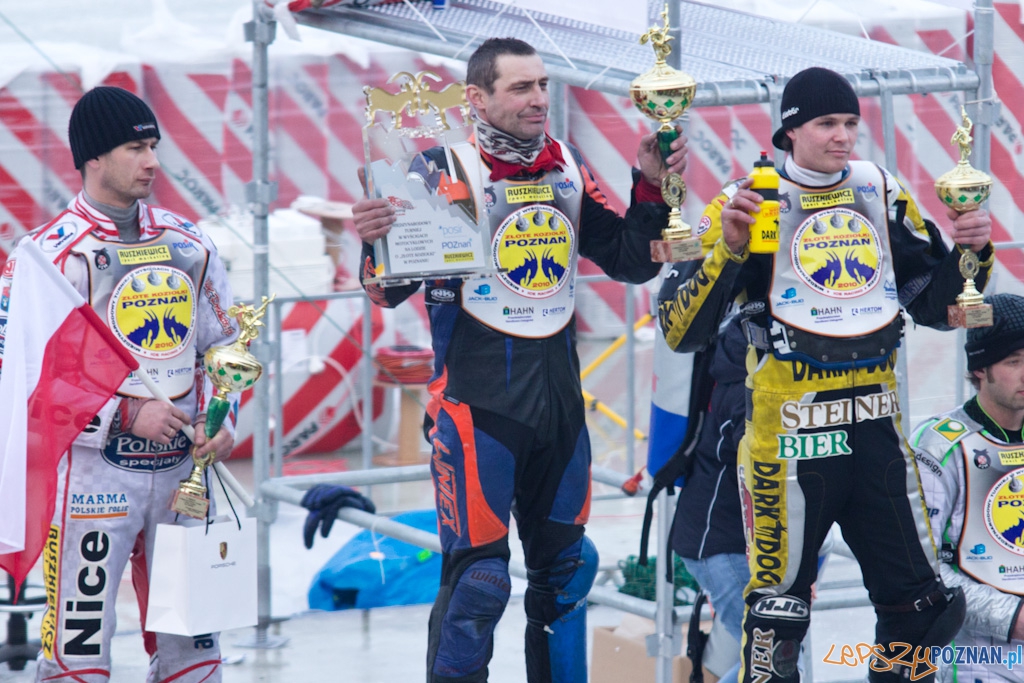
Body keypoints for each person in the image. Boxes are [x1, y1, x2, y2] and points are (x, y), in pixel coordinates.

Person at [352, 37, 687, 683]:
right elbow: (387, 290)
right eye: (521, 88)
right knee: (478, 583)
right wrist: (372, 241)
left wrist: (649, 183)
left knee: (568, 573)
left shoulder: (566, 163)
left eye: (542, 85)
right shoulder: (435, 171)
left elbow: (628, 258)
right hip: (478, 412)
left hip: (559, 406)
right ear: (476, 98)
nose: (539, 98)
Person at [659, 66, 993, 683]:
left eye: (850, 123)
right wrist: (730, 247)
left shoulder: (881, 189)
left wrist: (971, 251)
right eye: (826, 123)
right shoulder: (746, 197)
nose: (842, 136)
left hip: (876, 424)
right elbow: (680, 330)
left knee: (921, 607)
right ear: (790, 131)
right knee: (778, 620)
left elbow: (940, 308)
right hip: (789, 430)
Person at [0, 86, 238, 682]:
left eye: (153, 145)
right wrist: (124, 417)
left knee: (196, 653)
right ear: (93, 159)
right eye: (136, 147)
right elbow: (22, 377)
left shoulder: (190, 244)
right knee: (78, 656)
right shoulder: (45, 260)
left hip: (187, 481)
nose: (152, 161)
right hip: (91, 483)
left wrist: (222, 418)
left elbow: (228, 344)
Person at [915, 293, 1024, 683]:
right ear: (980, 369)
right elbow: (920, 567)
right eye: (1013, 362)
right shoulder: (940, 445)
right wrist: (1013, 618)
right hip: (976, 656)